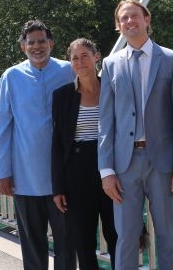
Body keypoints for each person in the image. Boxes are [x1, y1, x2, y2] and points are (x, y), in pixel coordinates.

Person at [98, 0, 173, 270]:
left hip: (162, 162)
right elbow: (106, 120)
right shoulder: (111, 64)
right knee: (125, 237)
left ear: (147, 19)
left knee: (168, 235)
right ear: (118, 26)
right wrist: (106, 170)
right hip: (124, 165)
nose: (130, 21)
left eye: (135, 16)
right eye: (123, 18)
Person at [0, 20, 75, 270]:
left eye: (41, 41)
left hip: (63, 177)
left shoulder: (68, 71)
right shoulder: (12, 76)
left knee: (67, 244)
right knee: (32, 246)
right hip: (25, 178)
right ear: (23, 47)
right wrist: (1, 170)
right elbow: (2, 126)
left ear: (51, 43)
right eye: (31, 42)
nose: (37, 47)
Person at [51, 38, 117, 269]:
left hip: (110, 170)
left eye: (85, 56)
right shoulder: (62, 96)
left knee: (116, 235)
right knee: (84, 241)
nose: (80, 62)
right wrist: (57, 187)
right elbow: (58, 144)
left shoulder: (112, 88)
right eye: (74, 58)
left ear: (96, 57)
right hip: (76, 175)